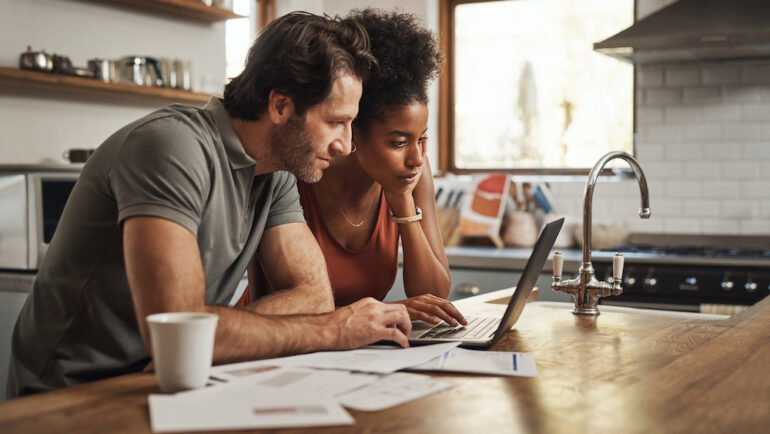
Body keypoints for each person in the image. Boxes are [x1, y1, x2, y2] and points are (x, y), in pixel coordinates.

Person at [7, 11, 412, 399]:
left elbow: (313, 297)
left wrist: (211, 338)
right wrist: (333, 330)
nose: (344, 145)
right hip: (73, 395)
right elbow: (181, 332)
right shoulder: (171, 148)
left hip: (173, 379)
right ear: (281, 107)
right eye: (335, 122)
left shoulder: (277, 173)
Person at [245, 9, 466, 327]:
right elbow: (271, 303)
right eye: (398, 142)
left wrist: (402, 200)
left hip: (358, 346)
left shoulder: (412, 174)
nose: (417, 158)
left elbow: (434, 296)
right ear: (354, 132)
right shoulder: (297, 172)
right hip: (278, 341)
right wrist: (387, 311)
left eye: (422, 139)